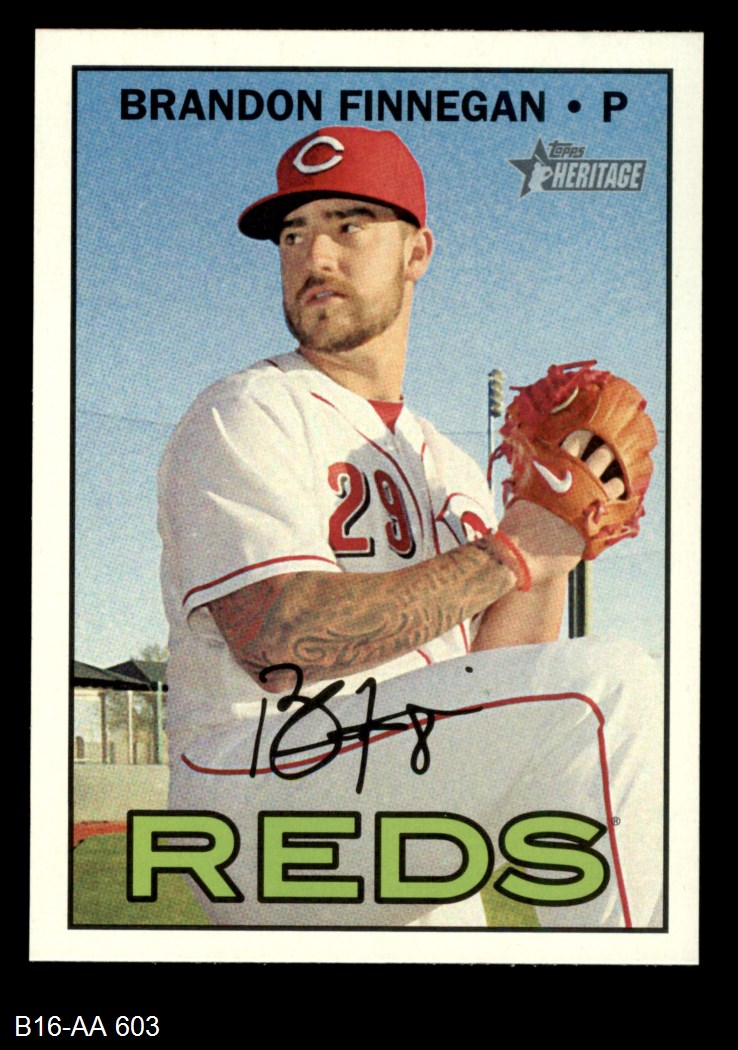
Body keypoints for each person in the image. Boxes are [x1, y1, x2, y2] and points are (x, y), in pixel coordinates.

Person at [158, 126, 662, 928]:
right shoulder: (249, 410)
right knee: (612, 686)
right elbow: (278, 640)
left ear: (417, 252)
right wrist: (508, 551)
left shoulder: (450, 465)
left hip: (399, 781)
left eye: (348, 224)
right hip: (258, 788)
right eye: (294, 234)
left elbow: (500, 681)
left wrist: (554, 546)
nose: (315, 256)